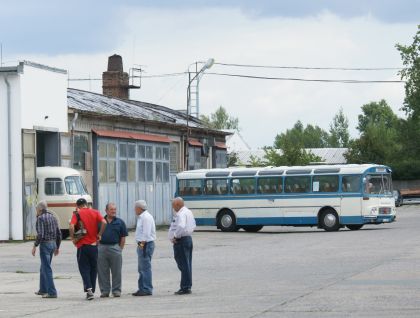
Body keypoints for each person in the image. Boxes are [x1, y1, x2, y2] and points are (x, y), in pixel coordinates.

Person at [69, 198, 107, 300]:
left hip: (82, 246)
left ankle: (89, 290)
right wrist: (99, 234)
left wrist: (73, 238)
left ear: (78, 206)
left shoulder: (77, 214)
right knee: (93, 268)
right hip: (94, 246)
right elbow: (104, 222)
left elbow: (72, 226)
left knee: (84, 268)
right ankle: (92, 290)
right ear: (86, 204)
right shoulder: (95, 212)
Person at [98, 202, 128, 298]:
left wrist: (120, 249)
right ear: (106, 210)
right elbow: (96, 235)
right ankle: (104, 291)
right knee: (102, 271)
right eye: (111, 209)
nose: (113, 211)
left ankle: (116, 291)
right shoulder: (100, 221)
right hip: (101, 248)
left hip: (115, 248)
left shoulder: (120, 222)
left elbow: (123, 237)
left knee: (117, 271)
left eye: (115, 209)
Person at [32, 200, 61, 299]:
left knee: (47, 268)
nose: (36, 211)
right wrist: (57, 246)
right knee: (43, 267)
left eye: (36, 209)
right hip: (53, 244)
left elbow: (41, 234)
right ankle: (43, 289)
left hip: (45, 245)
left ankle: (52, 292)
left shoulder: (40, 218)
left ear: (40, 209)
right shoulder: (53, 217)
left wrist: (35, 246)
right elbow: (59, 233)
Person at [168, 197, 196, 295]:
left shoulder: (181, 214)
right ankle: (187, 285)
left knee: (183, 264)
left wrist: (175, 236)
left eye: (173, 205)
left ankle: (185, 287)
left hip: (182, 241)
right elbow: (193, 225)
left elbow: (181, 226)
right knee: (187, 264)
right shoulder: (188, 212)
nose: (172, 208)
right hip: (187, 239)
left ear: (178, 205)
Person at [132, 200, 156, 296]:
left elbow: (146, 234)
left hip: (145, 245)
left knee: (145, 267)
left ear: (139, 208)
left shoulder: (145, 217)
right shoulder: (142, 217)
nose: (134, 210)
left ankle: (146, 288)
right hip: (143, 244)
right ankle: (142, 287)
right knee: (141, 267)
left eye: (135, 208)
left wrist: (141, 247)